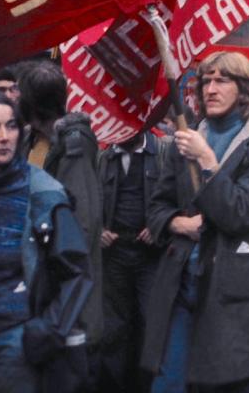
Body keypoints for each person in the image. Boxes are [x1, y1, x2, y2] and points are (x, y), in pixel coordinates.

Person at [141, 51, 249, 392]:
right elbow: (157, 208)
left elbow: (240, 212)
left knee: (221, 383)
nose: (211, 88)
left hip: (232, 293)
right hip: (181, 285)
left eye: (222, 80)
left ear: (244, 89)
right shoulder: (186, 138)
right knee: (168, 383)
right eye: (206, 80)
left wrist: (207, 160)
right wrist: (178, 224)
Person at [0, 92, 93, 393]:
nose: (4, 137)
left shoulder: (43, 193)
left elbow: (77, 271)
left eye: (11, 126)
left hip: (17, 339)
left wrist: (47, 329)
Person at [16, 59, 104, 362]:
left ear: (31, 103)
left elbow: (82, 225)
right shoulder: (28, 140)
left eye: (18, 93)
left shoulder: (73, 145)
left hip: (61, 291)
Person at [98, 128, 172, 392]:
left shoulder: (164, 152)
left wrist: (160, 225)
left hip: (150, 255)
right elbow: (86, 201)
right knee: (113, 329)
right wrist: (98, 230)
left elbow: (179, 197)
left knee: (152, 325)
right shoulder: (103, 155)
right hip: (114, 253)